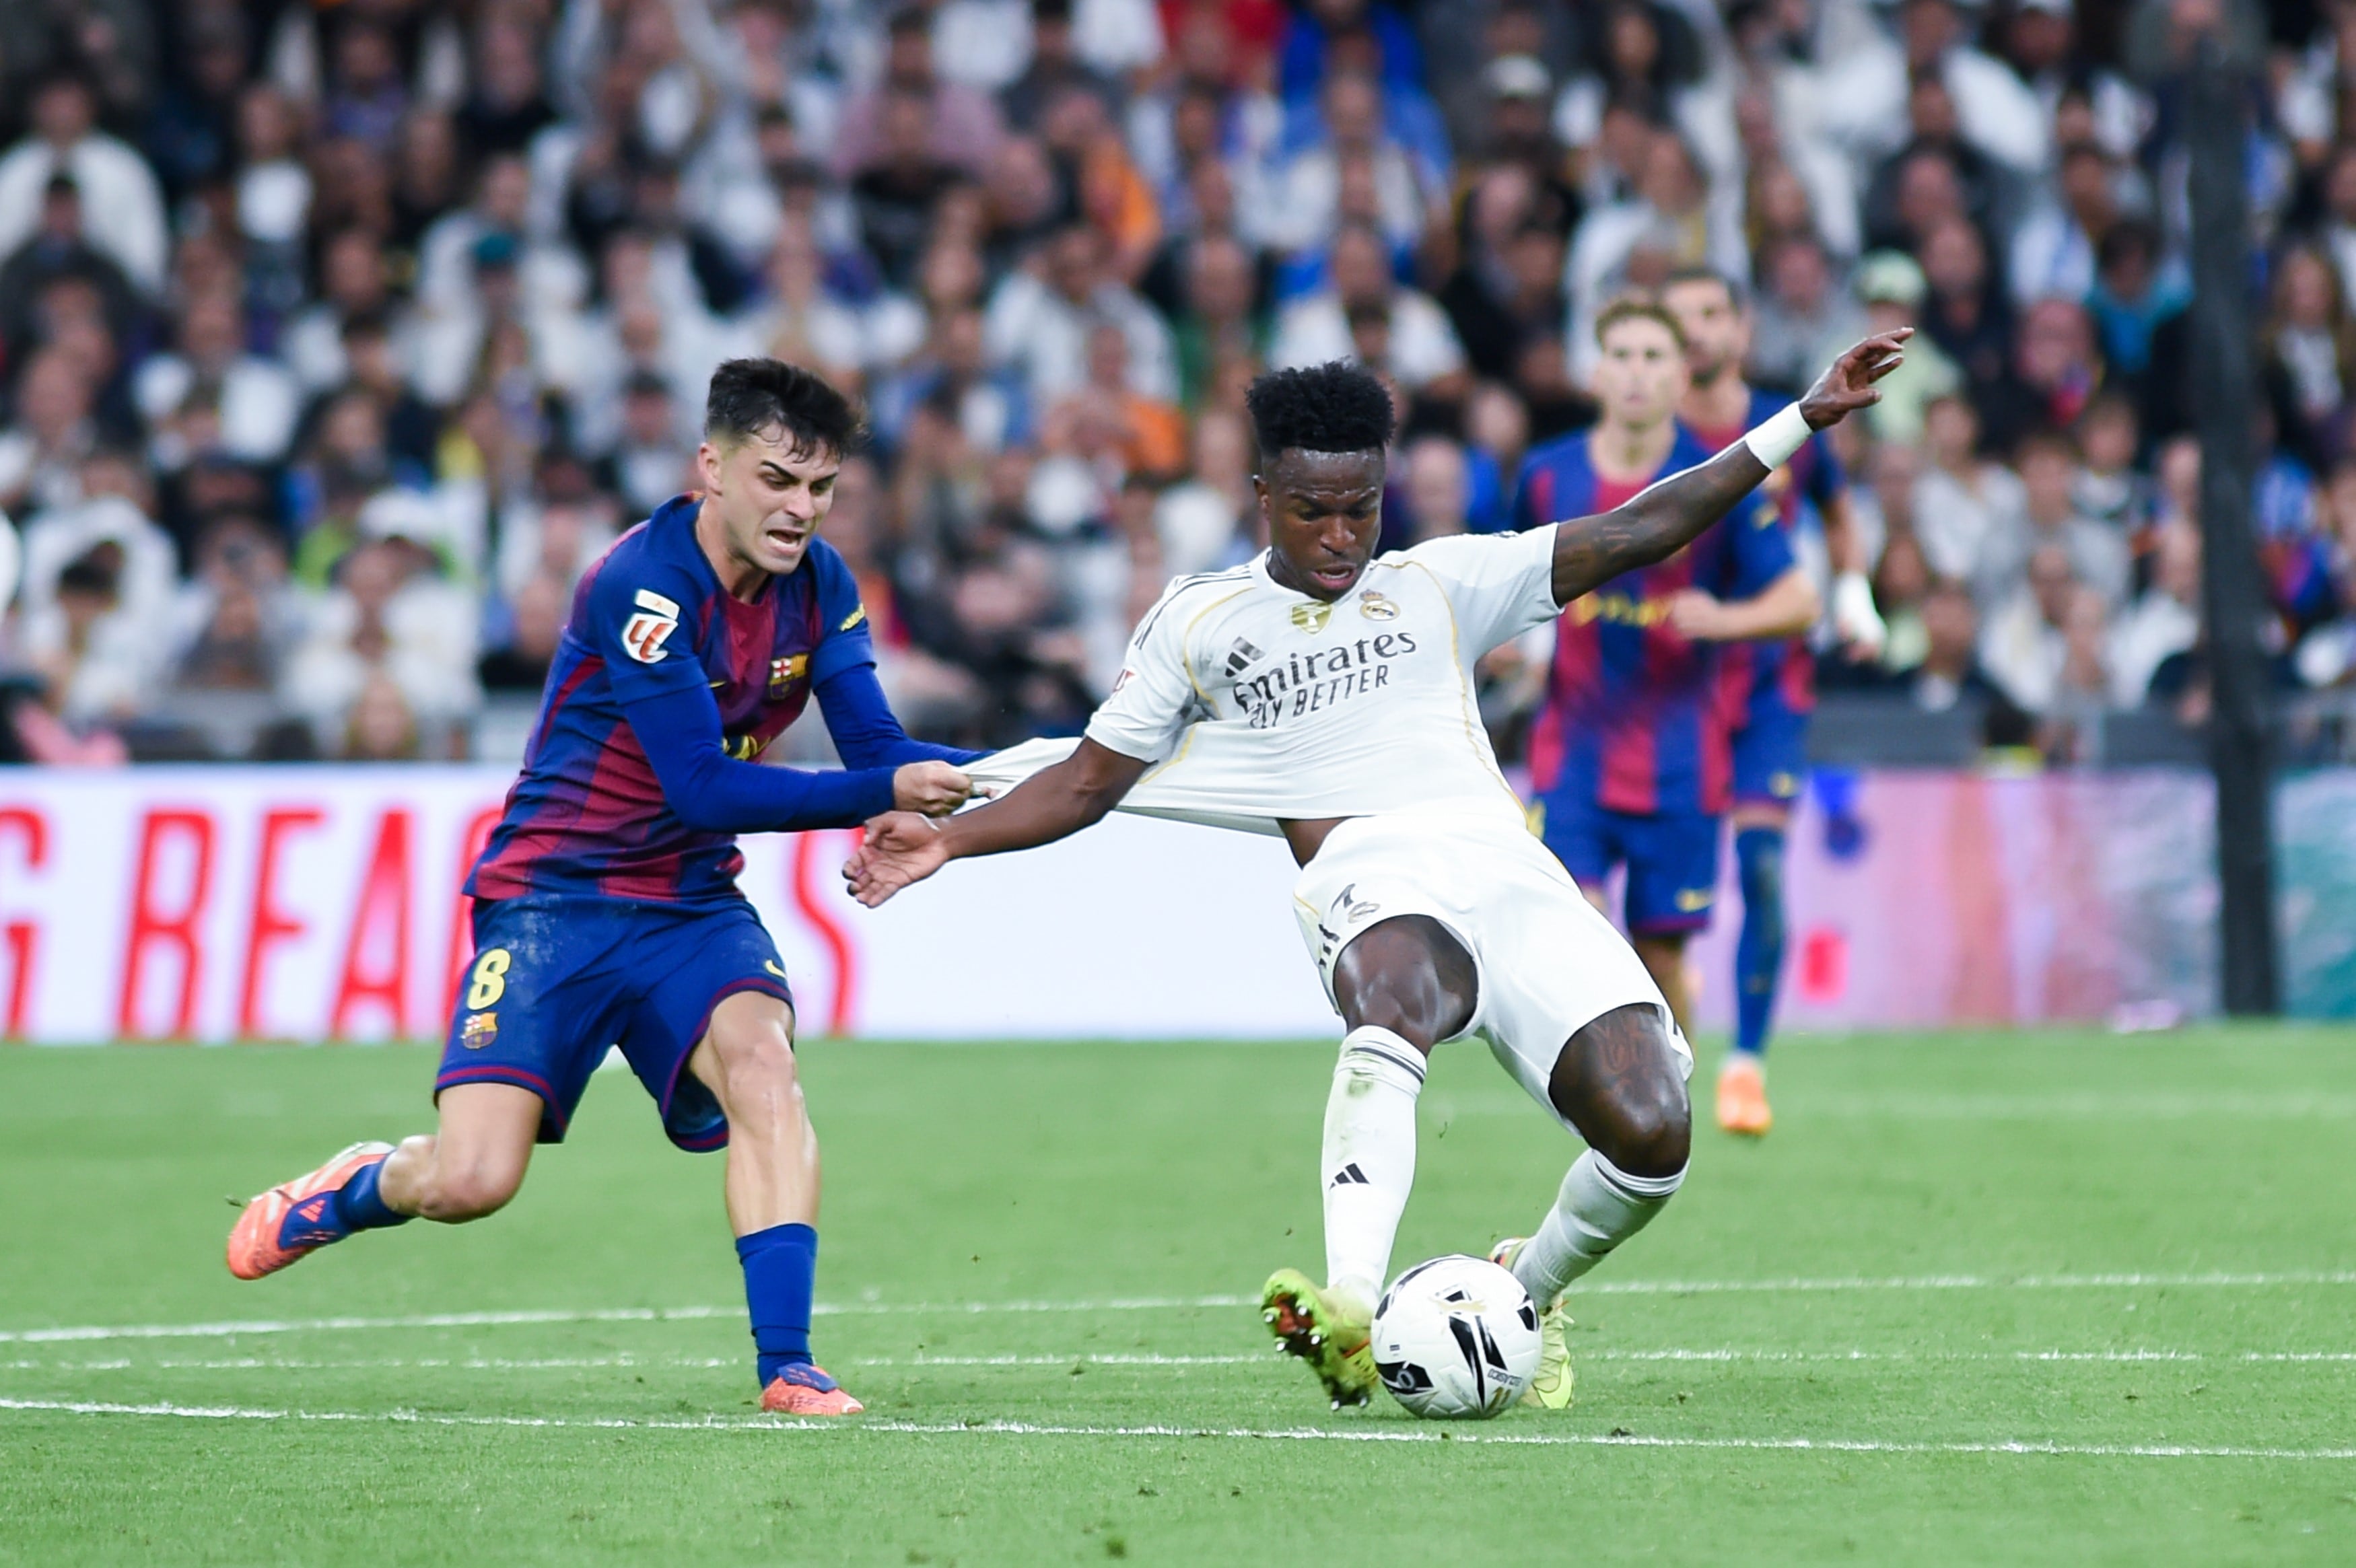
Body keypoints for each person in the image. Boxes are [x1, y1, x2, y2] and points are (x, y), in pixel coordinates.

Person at [845, 334, 1908, 1411]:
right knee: (1395, 994)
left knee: (1654, 1132)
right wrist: (952, 840)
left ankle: (1521, 1290)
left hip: (1507, 871)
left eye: (1361, 506)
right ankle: (1349, 1304)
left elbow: (1641, 529)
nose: (1341, 535)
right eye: (1312, 509)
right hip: (1367, 873)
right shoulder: (1201, 621)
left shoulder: (1442, 582)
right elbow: (1086, 781)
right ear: (1262, 493)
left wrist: (1802, 417)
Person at [226, 361, 982, 1418]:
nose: (800, 510)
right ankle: (361, 1182)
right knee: (472, 1182)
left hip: (687, 903)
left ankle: (788, 1365)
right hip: (552, 902)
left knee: (766, 1070)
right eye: (777, 480)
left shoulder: (824, 585)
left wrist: (999, 776)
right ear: (710, 468)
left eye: (820, 489)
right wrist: (883, 788)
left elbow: (876, 743)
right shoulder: (640, 582)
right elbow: (702, 783)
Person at [1516, 299, 1821, 1046]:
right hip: (1574, 755)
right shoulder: (1545, 477)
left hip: (1679, 761)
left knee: (1659, 963)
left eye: (1654, 357)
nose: (1635, 373)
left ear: (1681, 374)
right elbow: (1505, 580)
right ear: (1593, 373)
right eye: (1619, 354)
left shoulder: (1717, 481)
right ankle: (1606, 1115)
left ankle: (1666, 1106)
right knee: (1578, 935)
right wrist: (1510, 645)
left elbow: (1798, 598)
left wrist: (1724, 618)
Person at [1660, 267, 1883, 1137]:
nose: (1699, 334)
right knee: (1672, 890)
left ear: (1741, 328)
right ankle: (1675, 1023)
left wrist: (1856, 589)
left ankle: (1746, 1062)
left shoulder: (1789, 425)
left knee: (1759, 867)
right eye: (1683, 320)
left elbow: (1835, 509)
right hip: (1675, 689)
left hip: (1767, 686)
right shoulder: (1656, 440)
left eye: (1712, 314)